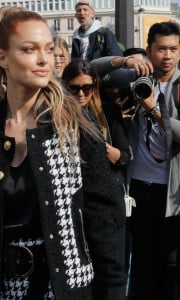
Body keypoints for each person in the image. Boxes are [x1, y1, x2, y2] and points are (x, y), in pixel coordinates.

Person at [0, 10, 126, 300]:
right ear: (1, 57)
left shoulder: (76, 128)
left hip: (63, 288)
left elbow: (104, 220)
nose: (43, 59)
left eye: (48, 49)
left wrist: (112, 292)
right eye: (29, 49)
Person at [125, 22, 180, 300]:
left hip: (171, 194)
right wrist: (125, 59)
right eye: (161, 49)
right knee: (143, 262)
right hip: (138, 188)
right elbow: (92, 69)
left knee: (170, 264)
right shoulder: (138, 78)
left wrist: (155, 110)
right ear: (149, 50)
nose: (167, 56)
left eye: (173, 49)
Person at [62, 59, 131, 182]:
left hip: (105, 186)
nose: (81, 93)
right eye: (74, 88)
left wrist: (102, 148)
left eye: (87, 88)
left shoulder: (108, 111)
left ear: (94, 86)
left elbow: (125, 157)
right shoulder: (58, 115)